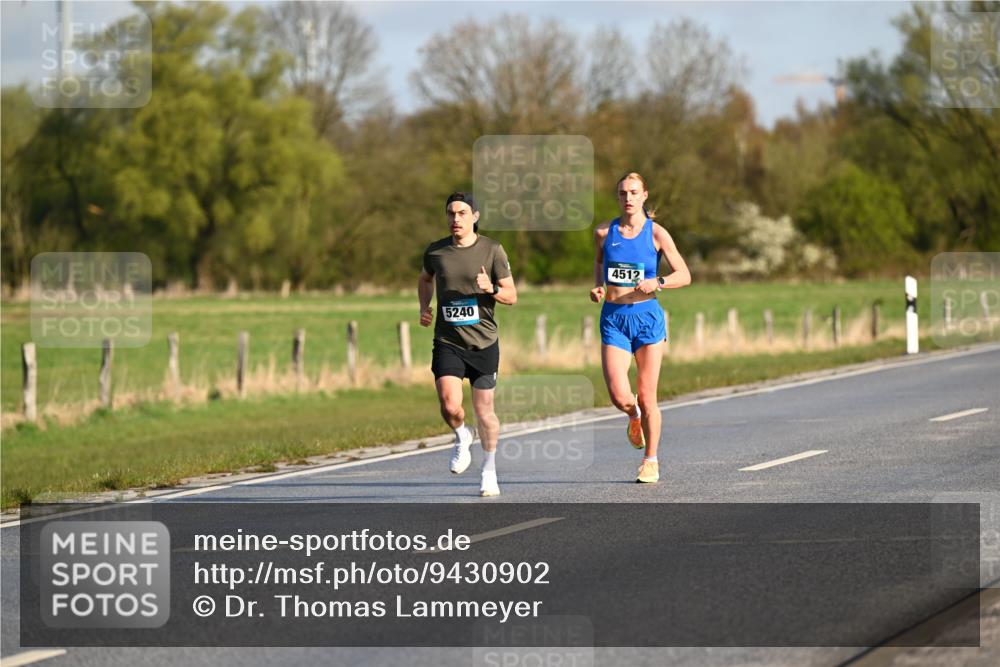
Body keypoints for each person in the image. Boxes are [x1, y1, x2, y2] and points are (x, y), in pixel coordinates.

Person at [591, 172, 691, 483]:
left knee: (648, 397)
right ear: (617, 197)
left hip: (647, 318)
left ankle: (651, 461)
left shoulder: (657, 233)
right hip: (614, 319)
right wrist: (597, 286)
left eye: (634, 192)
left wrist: (657, 282)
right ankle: (633, 418)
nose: (628, 198)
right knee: (620, 395)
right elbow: (598, 263)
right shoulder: (604, 232)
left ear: (644, 195)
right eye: (623, 193)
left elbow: (684, 274)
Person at [419, 192, 517, 497]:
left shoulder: (492, 250)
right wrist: (425, 306)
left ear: (474, 216)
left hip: (484, 343)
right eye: (450, 213)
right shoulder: (436, 252)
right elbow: (425, 279)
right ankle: (462, 435)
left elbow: (512, 296)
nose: (455, 219)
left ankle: (489, 469)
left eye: (462, 213)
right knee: (450, 405)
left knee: (485, 410)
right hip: (448, 340)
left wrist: (492, 289)